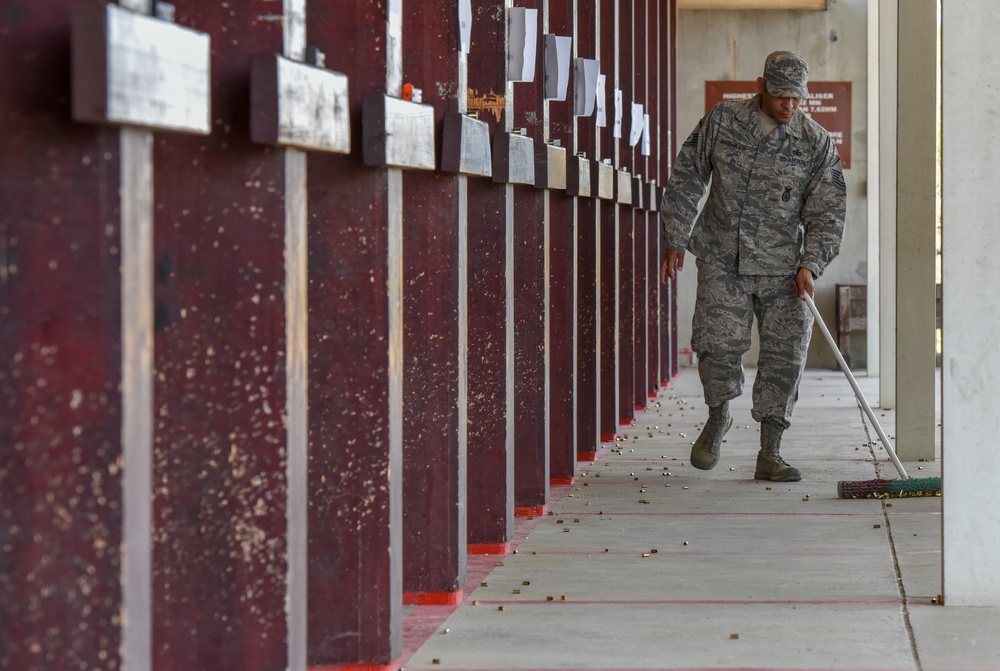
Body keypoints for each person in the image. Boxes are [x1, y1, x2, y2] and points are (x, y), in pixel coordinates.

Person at [659, 51, 847, 482]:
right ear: (761, 85)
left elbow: (829, 211)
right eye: (781, 96)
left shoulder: (814, 141)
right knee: (717, 344)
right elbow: (688, 174)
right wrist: (676, 237)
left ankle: (770, 451)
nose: (789, 106)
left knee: (785, 357)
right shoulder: (724, 120)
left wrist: (812, 264)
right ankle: (718, 417)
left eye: (797, 99)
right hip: (722, 257)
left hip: (785, 269)